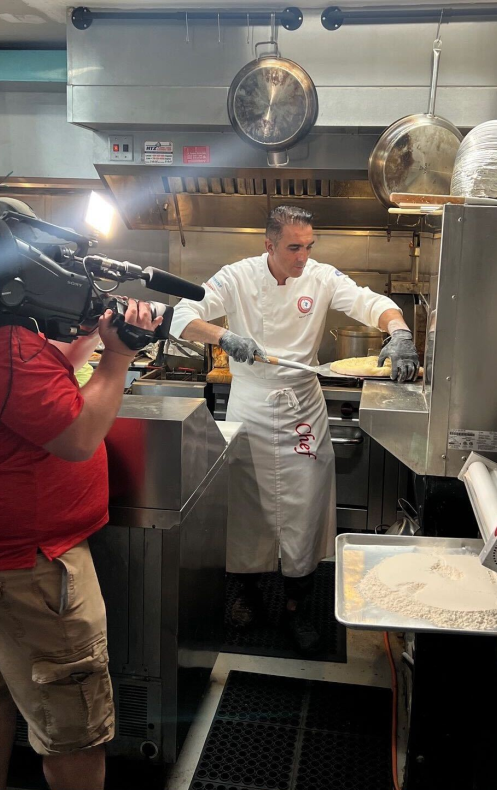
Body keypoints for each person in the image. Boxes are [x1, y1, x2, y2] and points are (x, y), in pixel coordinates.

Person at [0, 200, 161, 790]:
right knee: (75, 729)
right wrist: (119, 356)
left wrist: (88, 336)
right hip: (33, 569)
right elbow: (79, 438)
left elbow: (38, 380)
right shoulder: (3, 350)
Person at [170, 205, 419, 655]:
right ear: (269, 245)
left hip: (303, 405)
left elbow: (371, 303)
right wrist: (223, 337)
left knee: (305, 507)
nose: (303, 256)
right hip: (250, 407)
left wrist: (398, 331)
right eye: (293, 248)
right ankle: (246, 596)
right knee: (246, 507)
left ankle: (297, 607)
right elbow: (181, 315)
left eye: (308, 246)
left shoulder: (321, 277)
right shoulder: (237, 276)